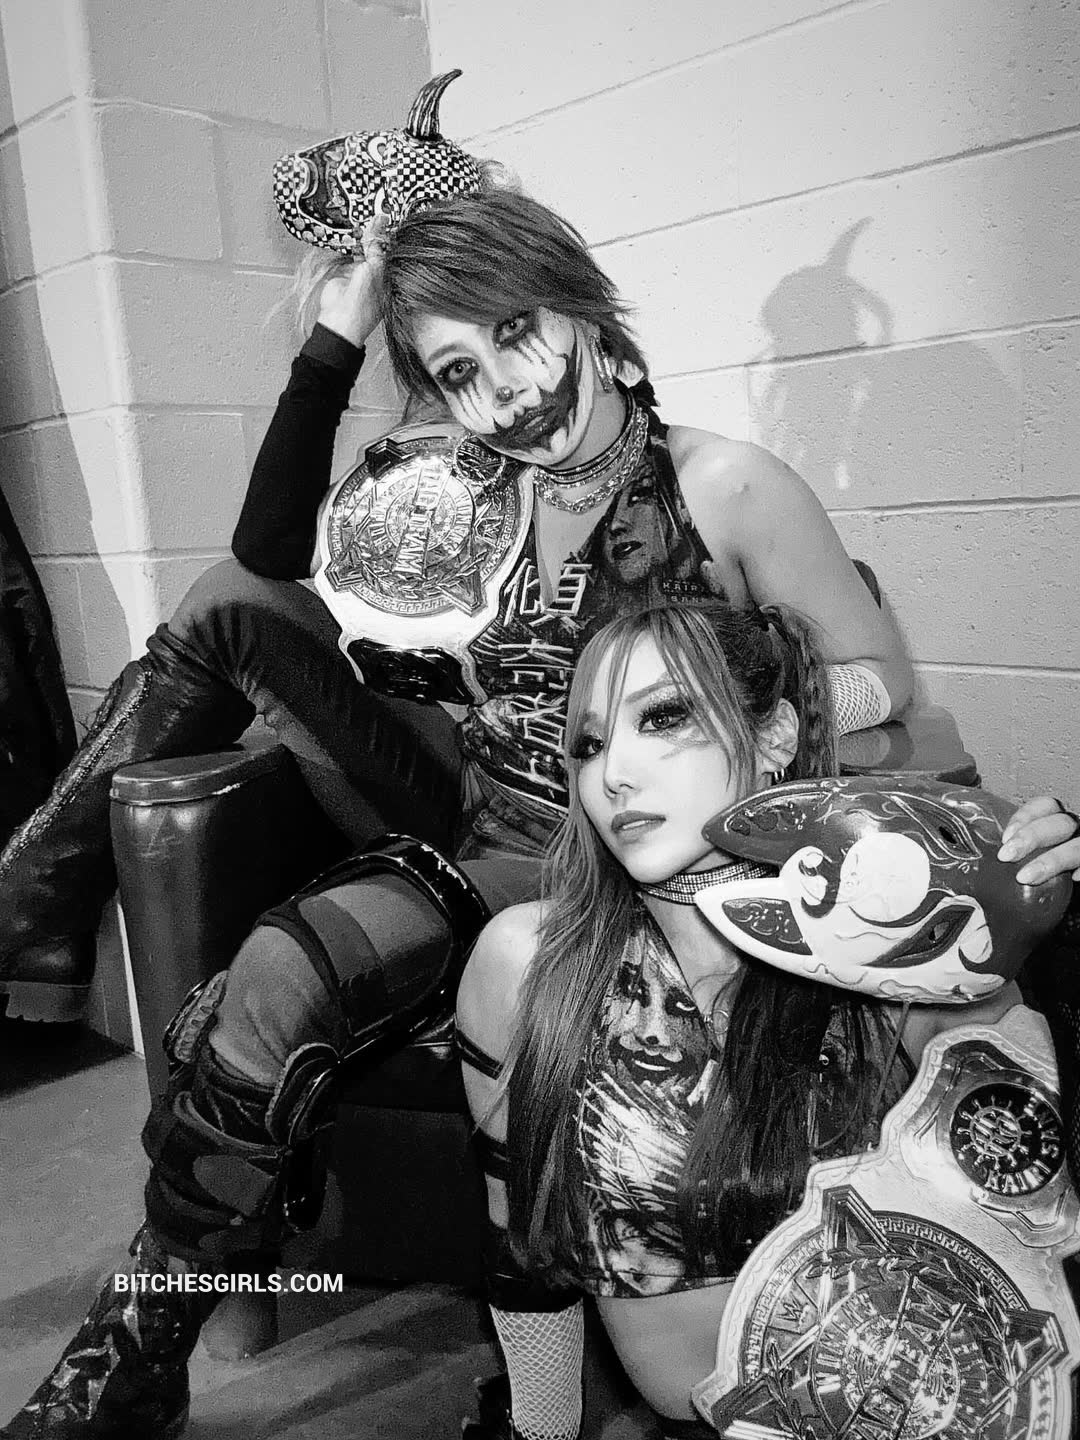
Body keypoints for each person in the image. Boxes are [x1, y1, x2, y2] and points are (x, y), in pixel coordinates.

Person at [3, 178, 1078, 1436]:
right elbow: (267, 550)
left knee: (346, 968)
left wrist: (727, 715)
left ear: (583, 308)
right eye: (459, 372)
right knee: (230, 624)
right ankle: (138, 1338)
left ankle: (536, 1400)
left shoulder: (725, 486)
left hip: (612, 861)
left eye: (517, 332)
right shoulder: (471, 495)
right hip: (482, 816)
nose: (506, 394)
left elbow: (881, 680)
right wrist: (340, 332)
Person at [454, 599, 1068, 1439]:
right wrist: (541, 1432)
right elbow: (521, 1255)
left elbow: (1031, 1211)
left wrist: (1036, 919)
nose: (614, 774)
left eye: (662, 718)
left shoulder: (894, 948)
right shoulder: (528, 964)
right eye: (588, 745)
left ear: (774, 737)